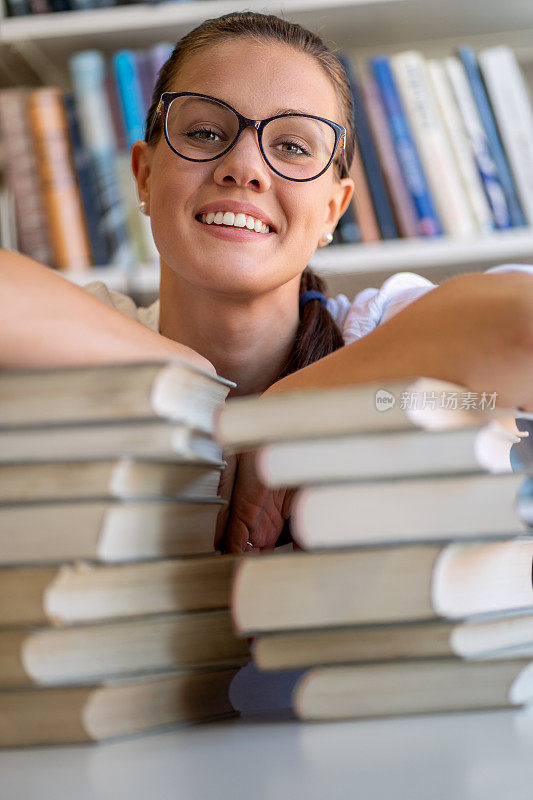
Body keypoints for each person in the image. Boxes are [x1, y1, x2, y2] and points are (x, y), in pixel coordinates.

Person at [2, 11, 533, 554]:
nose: (244, 167)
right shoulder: (94, 331)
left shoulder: (375, 333)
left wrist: (290, 408)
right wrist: (183, 376)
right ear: (144, 175)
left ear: (333, 210)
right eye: (205, 132)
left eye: (293, 147)